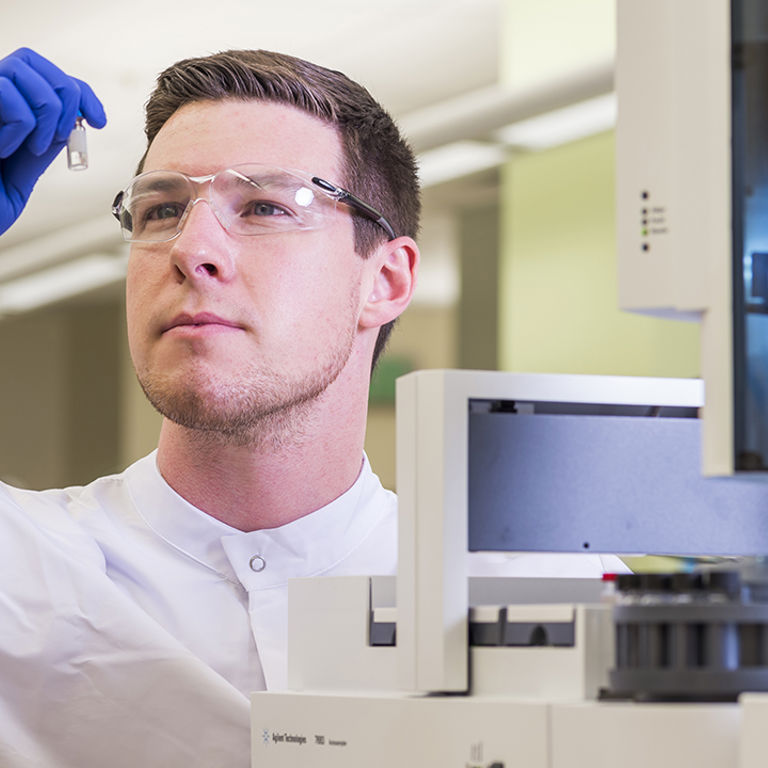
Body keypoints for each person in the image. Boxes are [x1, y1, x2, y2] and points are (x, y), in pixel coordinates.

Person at [0, 48, 622, 767]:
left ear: (385, 279)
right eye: (162, 209)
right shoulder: (23, 572)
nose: (191, 248)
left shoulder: (540, 602)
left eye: (265, 205)